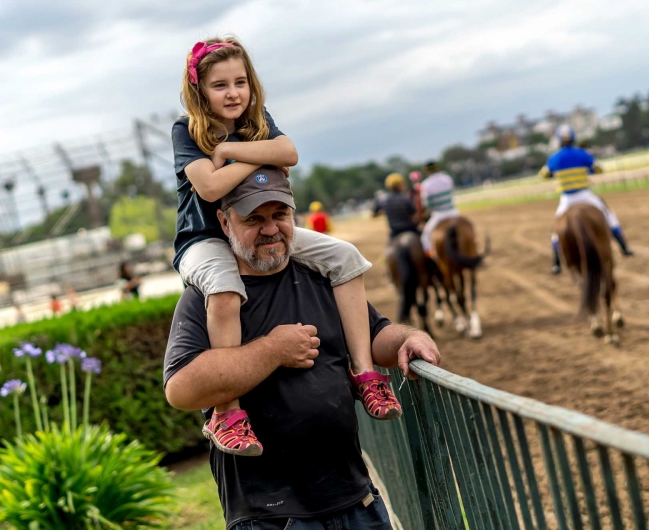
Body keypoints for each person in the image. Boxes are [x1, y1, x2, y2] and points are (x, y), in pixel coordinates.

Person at [163, 172, 441, 529]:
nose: (270, 229)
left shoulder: (322, 276)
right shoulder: (207, 297)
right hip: (270, 517)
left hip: (358, 500)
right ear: (223, 221)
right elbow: (181, 389)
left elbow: (374, 336)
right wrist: (272, 351)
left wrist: (407, 339)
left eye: (280, 215)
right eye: (254, 220)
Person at [171, 37, 400, 457]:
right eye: (220, 85)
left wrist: (229, 151)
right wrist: (257, 156)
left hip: (258, 227)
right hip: (204, 238)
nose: (233, 92)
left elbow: (289, 153)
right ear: (199, 91)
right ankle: (227, 411)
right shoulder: (188, 129)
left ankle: (365, 374)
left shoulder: (257, 118)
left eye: (240, 81)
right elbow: (208, 186)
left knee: (346, 257)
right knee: (223, 287)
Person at [540, 124, 634, 275]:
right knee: (609, 215)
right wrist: (588, 168)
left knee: (557, 227)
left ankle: (556, 263)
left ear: (559, 141)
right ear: (573, 139)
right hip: (585, 195)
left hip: (567, 198)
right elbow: (599, 169)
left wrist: (553, 173)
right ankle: (624, 247)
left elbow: (543, 174)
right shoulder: (582, 153)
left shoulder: (554, 157)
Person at [419, 161, 460, 257]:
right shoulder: (447, 178)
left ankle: (432, 256)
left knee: (425, 238)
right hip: (453, 212)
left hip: (439, 215)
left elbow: (427, 204)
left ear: (426, 171)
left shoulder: (426, 184)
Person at [372, 173, 419, 240]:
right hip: (409, 230)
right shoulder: (405, 199)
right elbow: (415, 216)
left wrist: (382, 212)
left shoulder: (384, 200)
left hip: (394, 232)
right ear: (399, 185)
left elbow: (373, 214)